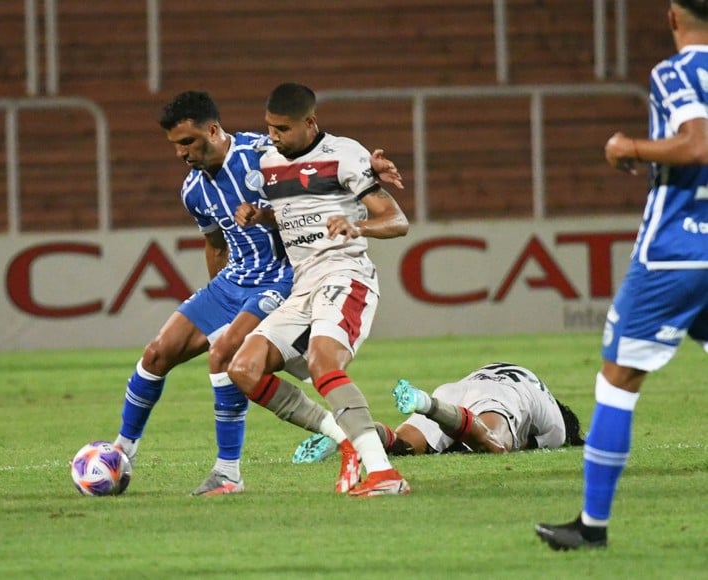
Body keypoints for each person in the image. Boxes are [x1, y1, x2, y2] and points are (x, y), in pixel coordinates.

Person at [113, 90, 403, 496]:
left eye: (187, 142)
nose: (181, 153)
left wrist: (366, 170)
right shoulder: (193, 190)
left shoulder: (260, 152)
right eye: (175, 146)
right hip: (234, 280)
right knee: (157, 353)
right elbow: (216, 245)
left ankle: (228, 471)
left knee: (225, 355)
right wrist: (218, 300)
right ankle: (121, 452)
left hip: (283, 277)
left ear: (212, 130)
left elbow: (315, 151)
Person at [535, 0, 708, 550]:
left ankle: (592, 526)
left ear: (672, 17)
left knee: (618, 381)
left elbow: (698, 143)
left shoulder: (677, 71)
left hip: (676, 253)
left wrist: (630, 146)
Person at [228, 82, 411, 497]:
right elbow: (293, 210)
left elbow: (397, 221)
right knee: (243, 369)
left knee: (324, 363)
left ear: (311, 122)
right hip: (303, 284)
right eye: (269, 127)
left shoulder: (345, 155)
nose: (273, 136)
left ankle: (384, 473)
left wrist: (356, 225)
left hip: (345, 273)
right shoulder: (270, 158)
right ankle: (345, 437)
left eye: (283, 128)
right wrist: (261, 217)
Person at [292, 362, 584, 463]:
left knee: (401, 446)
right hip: (500, 397)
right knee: (495, 443)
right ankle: (427, 405)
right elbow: (518, 445)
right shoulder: (557, 428)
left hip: (453, 391)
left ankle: (345, 433)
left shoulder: (535, 388)